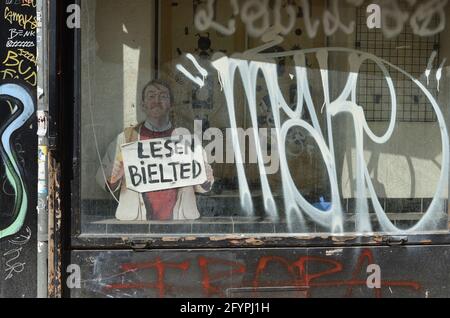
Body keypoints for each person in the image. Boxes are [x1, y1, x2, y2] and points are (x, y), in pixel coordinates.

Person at [96, 79, 214, 221]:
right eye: (151, 96)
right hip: (136, 226)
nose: (157, 101)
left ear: (171, 105)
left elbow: (204, 186)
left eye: (163, 96)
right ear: (143, 105)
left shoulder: (188, 140)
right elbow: (103, 181)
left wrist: (205, 177)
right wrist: (114, 176)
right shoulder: (125, 139)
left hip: (180, 223)